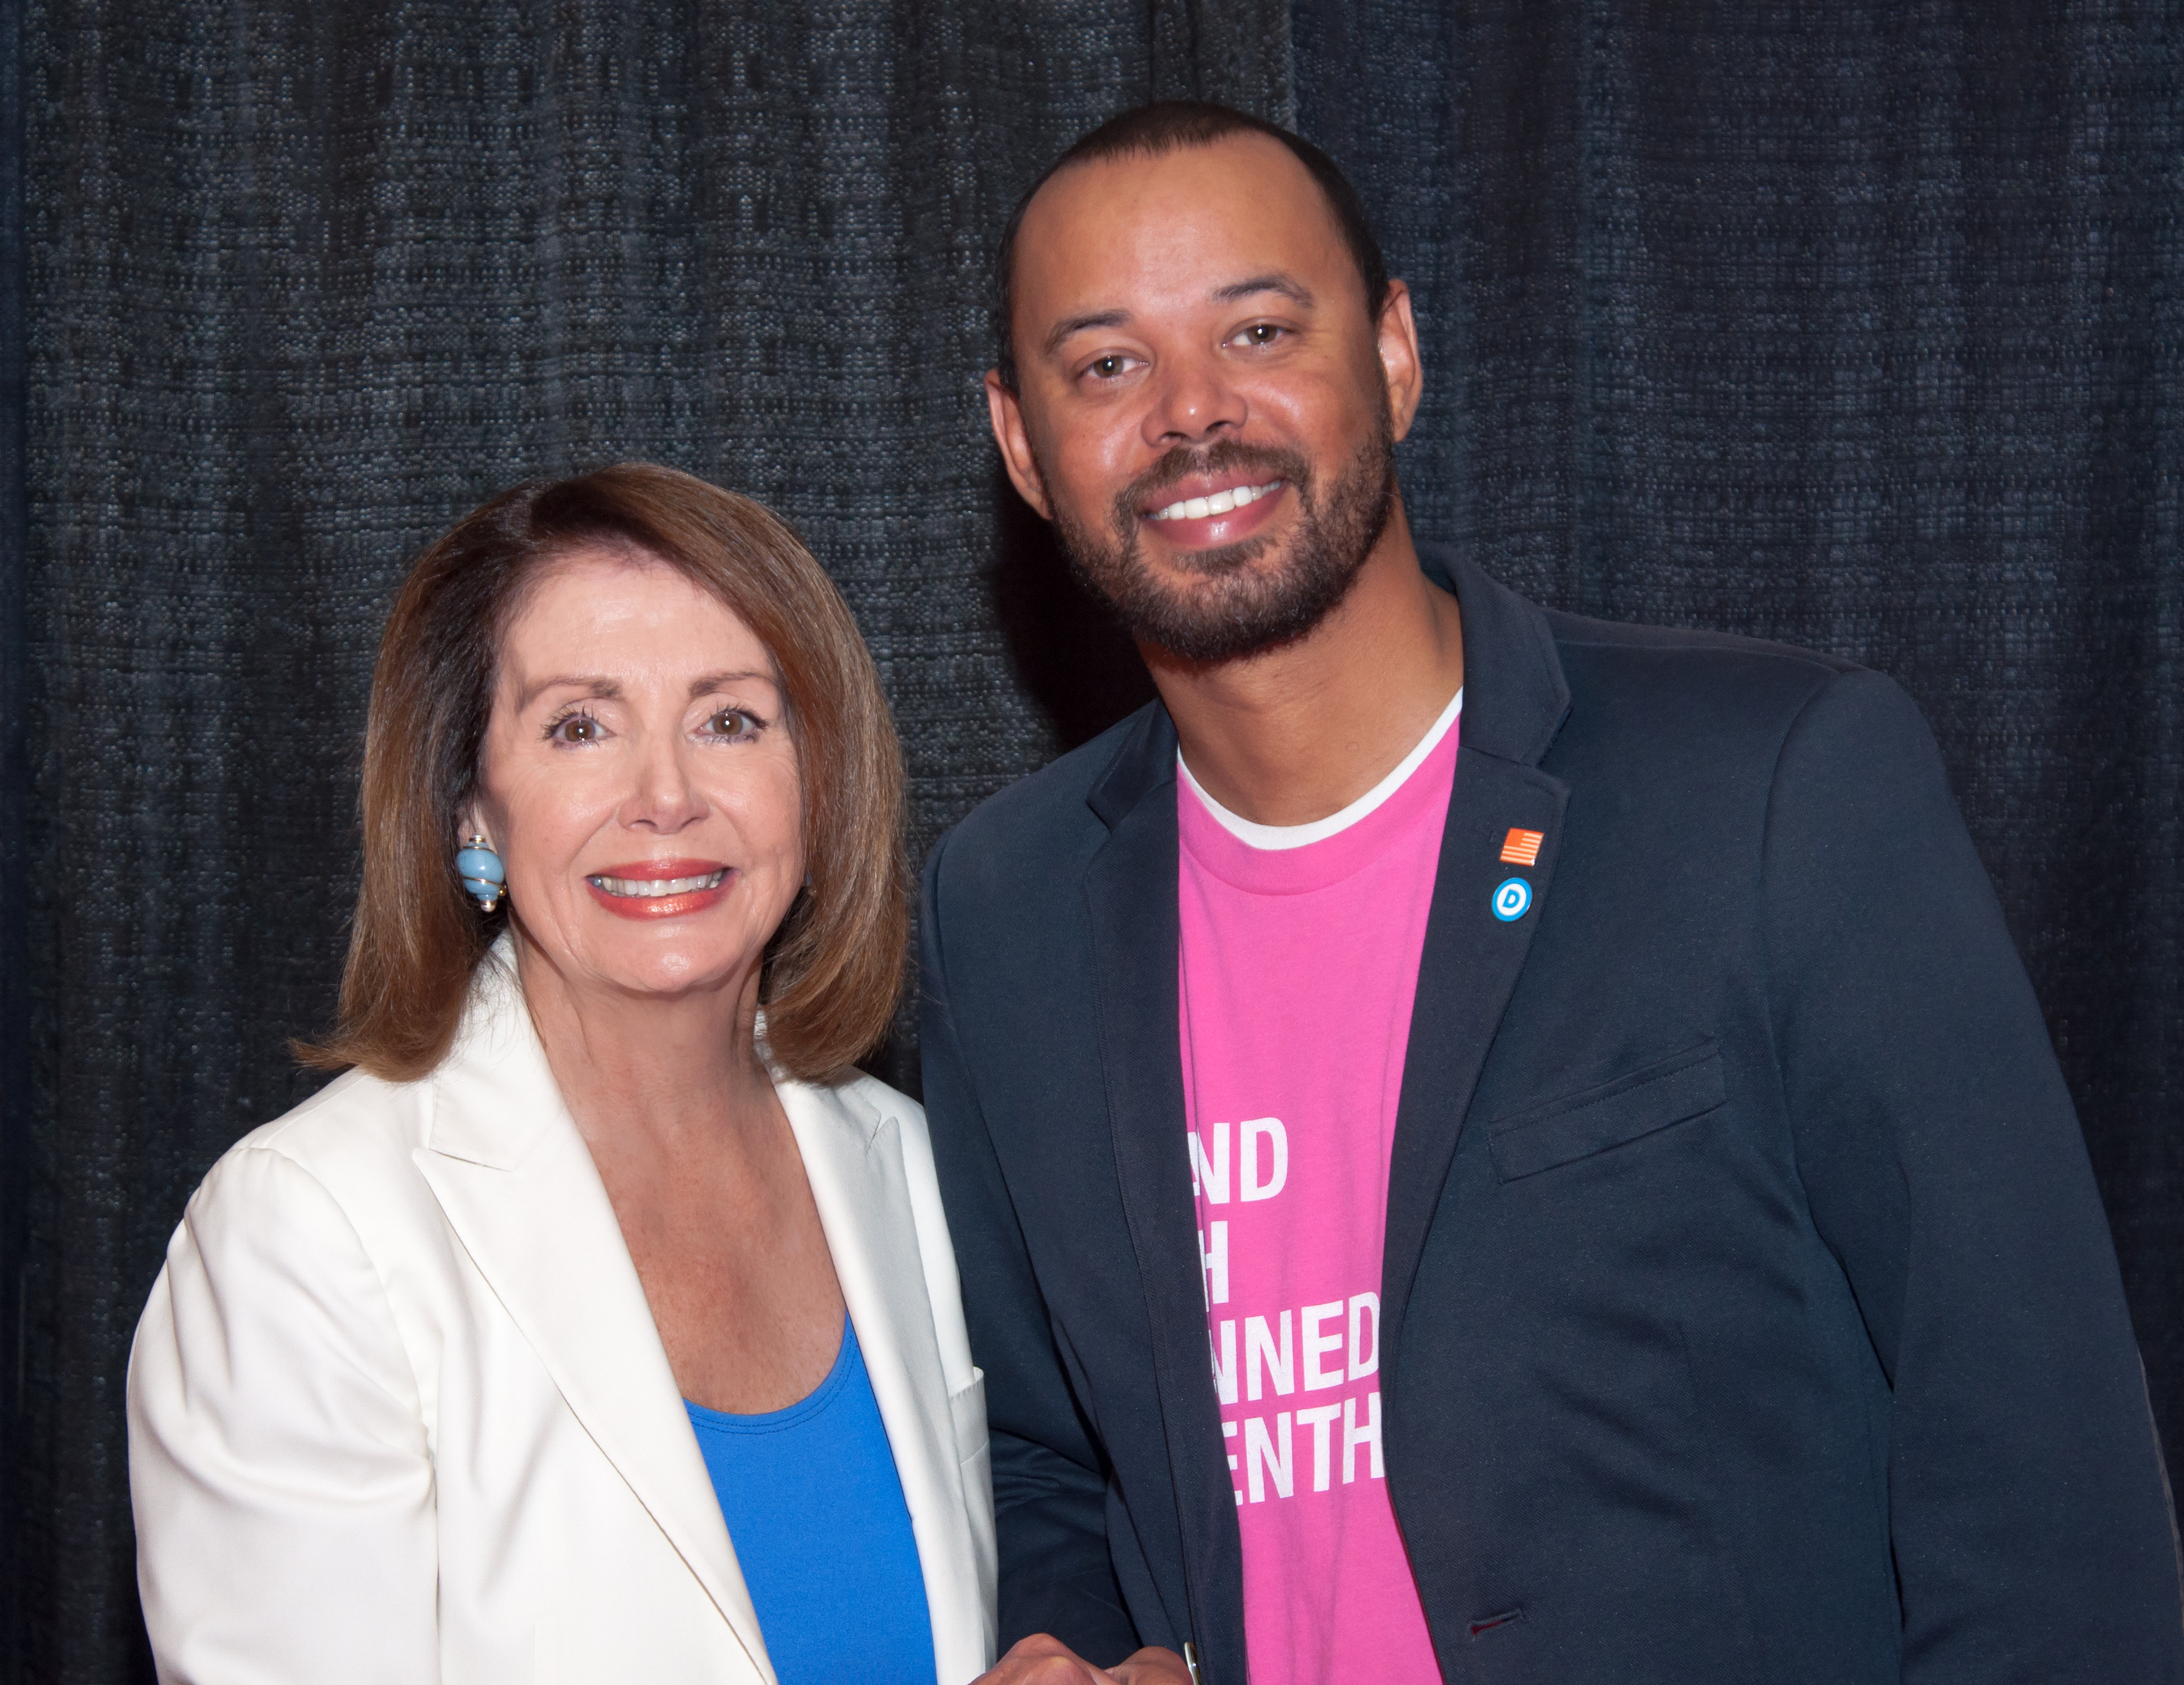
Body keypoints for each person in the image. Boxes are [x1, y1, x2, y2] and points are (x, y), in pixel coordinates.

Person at [923, 102, 2184, 1685]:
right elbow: (1043, 1454)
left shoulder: (1774, 784)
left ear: (1392, 354)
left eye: (1257, 327)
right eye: (1105, 364)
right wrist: (1076, 1645)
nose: (1190, 413)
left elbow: (2036, 1464)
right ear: (1021, 444)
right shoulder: (1004, 910)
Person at [128, 464, 996, 1684]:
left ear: (821, 781)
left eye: (731, 720)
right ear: (472, 807)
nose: (667, 798)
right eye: (580, 727)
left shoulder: (913, 1163)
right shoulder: (304, 1235)